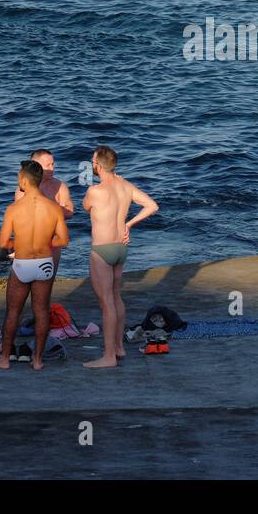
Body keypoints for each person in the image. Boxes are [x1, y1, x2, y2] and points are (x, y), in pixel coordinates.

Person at [82, 145, 158, 369]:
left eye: (93, 161)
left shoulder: (95, 191)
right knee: (116, 297)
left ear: (98, 165)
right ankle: (118, 347)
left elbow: (85, 207)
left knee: (106, 303)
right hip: (120, 248)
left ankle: (108, 357)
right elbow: (152, 206)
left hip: (102, 250)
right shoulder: (125, 186)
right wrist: (129, 224)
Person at [0, 161, 69, 370]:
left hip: (23, 264)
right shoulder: (54, 208)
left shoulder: (13, 209)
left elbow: (3, 243)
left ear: (24, 180)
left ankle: (5, 359)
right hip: (44, 263)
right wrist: (44, 242)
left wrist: (20, 242)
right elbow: (63, 240)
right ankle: (37, 360)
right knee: (41, 310)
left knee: (13, 312)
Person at [30, 149, 74, 273]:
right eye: (48, 165)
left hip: (54, 242)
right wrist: (56, 209)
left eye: (53, 164)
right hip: (30, 243)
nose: (52, 168)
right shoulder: (23, 189)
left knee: (49, 278)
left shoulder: (60, 186)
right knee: (30, 280)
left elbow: (70, 211)